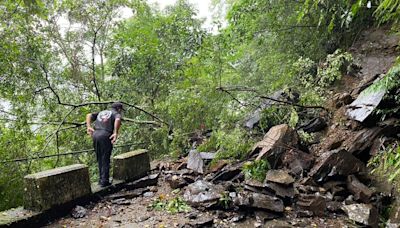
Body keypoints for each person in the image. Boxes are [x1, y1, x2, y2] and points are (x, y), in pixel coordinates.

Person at [86, 102, 124, 187]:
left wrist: (88, 126)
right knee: (105, 157)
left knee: (99, 157)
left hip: (95, 134)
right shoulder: (115, 113)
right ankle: (104, 181)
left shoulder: (102, 112)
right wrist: (115, 133)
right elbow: (118, 119)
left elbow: (89, 115)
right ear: (119, 109)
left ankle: (101, 180)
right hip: (105, 135)